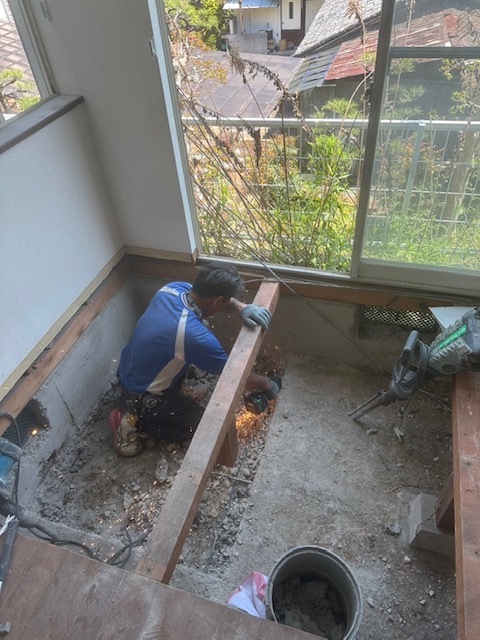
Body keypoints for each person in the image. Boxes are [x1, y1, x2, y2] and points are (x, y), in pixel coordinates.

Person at [109, 262, 282, 456]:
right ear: (219, 301)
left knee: (179, 358)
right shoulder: (191, 336)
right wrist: (266, 384)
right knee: (202, 428)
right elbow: (234, 375)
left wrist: (242, 307)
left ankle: (166, 397)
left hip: (127, 372)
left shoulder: (173, 289)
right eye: (226, 300)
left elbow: (215, 300)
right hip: (141, 398)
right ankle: (132, 422)